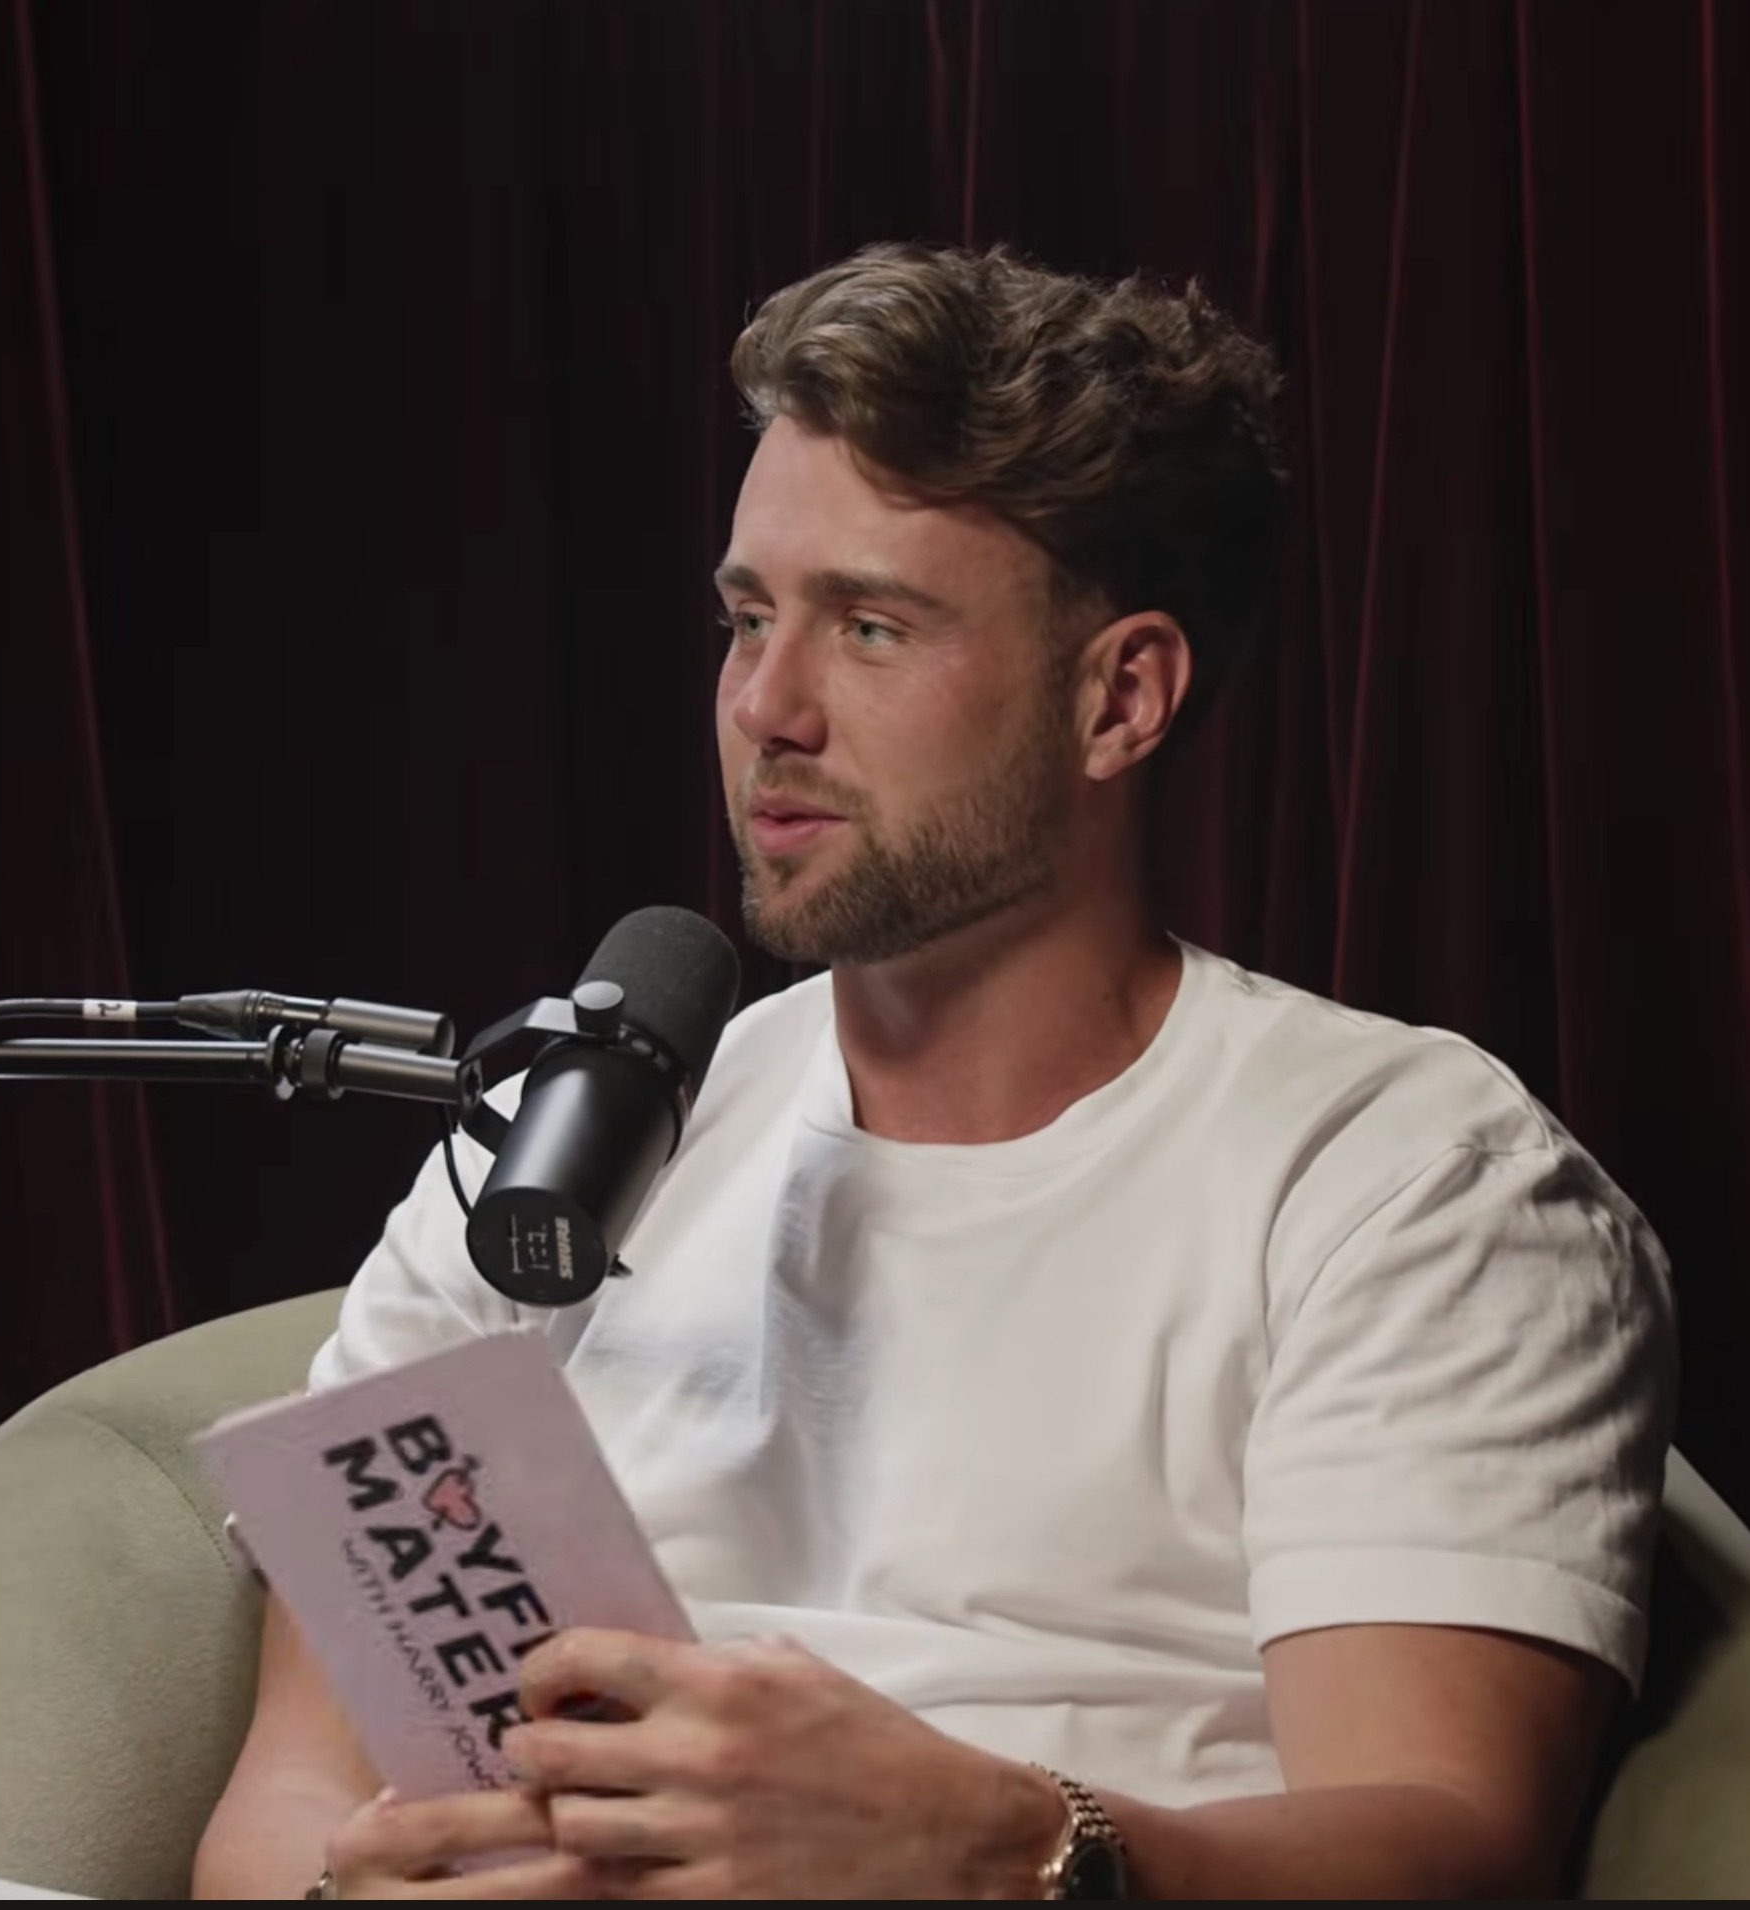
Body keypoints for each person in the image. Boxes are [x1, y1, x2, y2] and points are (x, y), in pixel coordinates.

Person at [189, 242, 1676, 1900]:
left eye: (872, 627)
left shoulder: (1407, 1177)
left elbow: (1449, 1846)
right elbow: (287, 1789)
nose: (768, 706)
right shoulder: (558, 1141)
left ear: (1120, 697)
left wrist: (1000, 1845)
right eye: (747, 619)